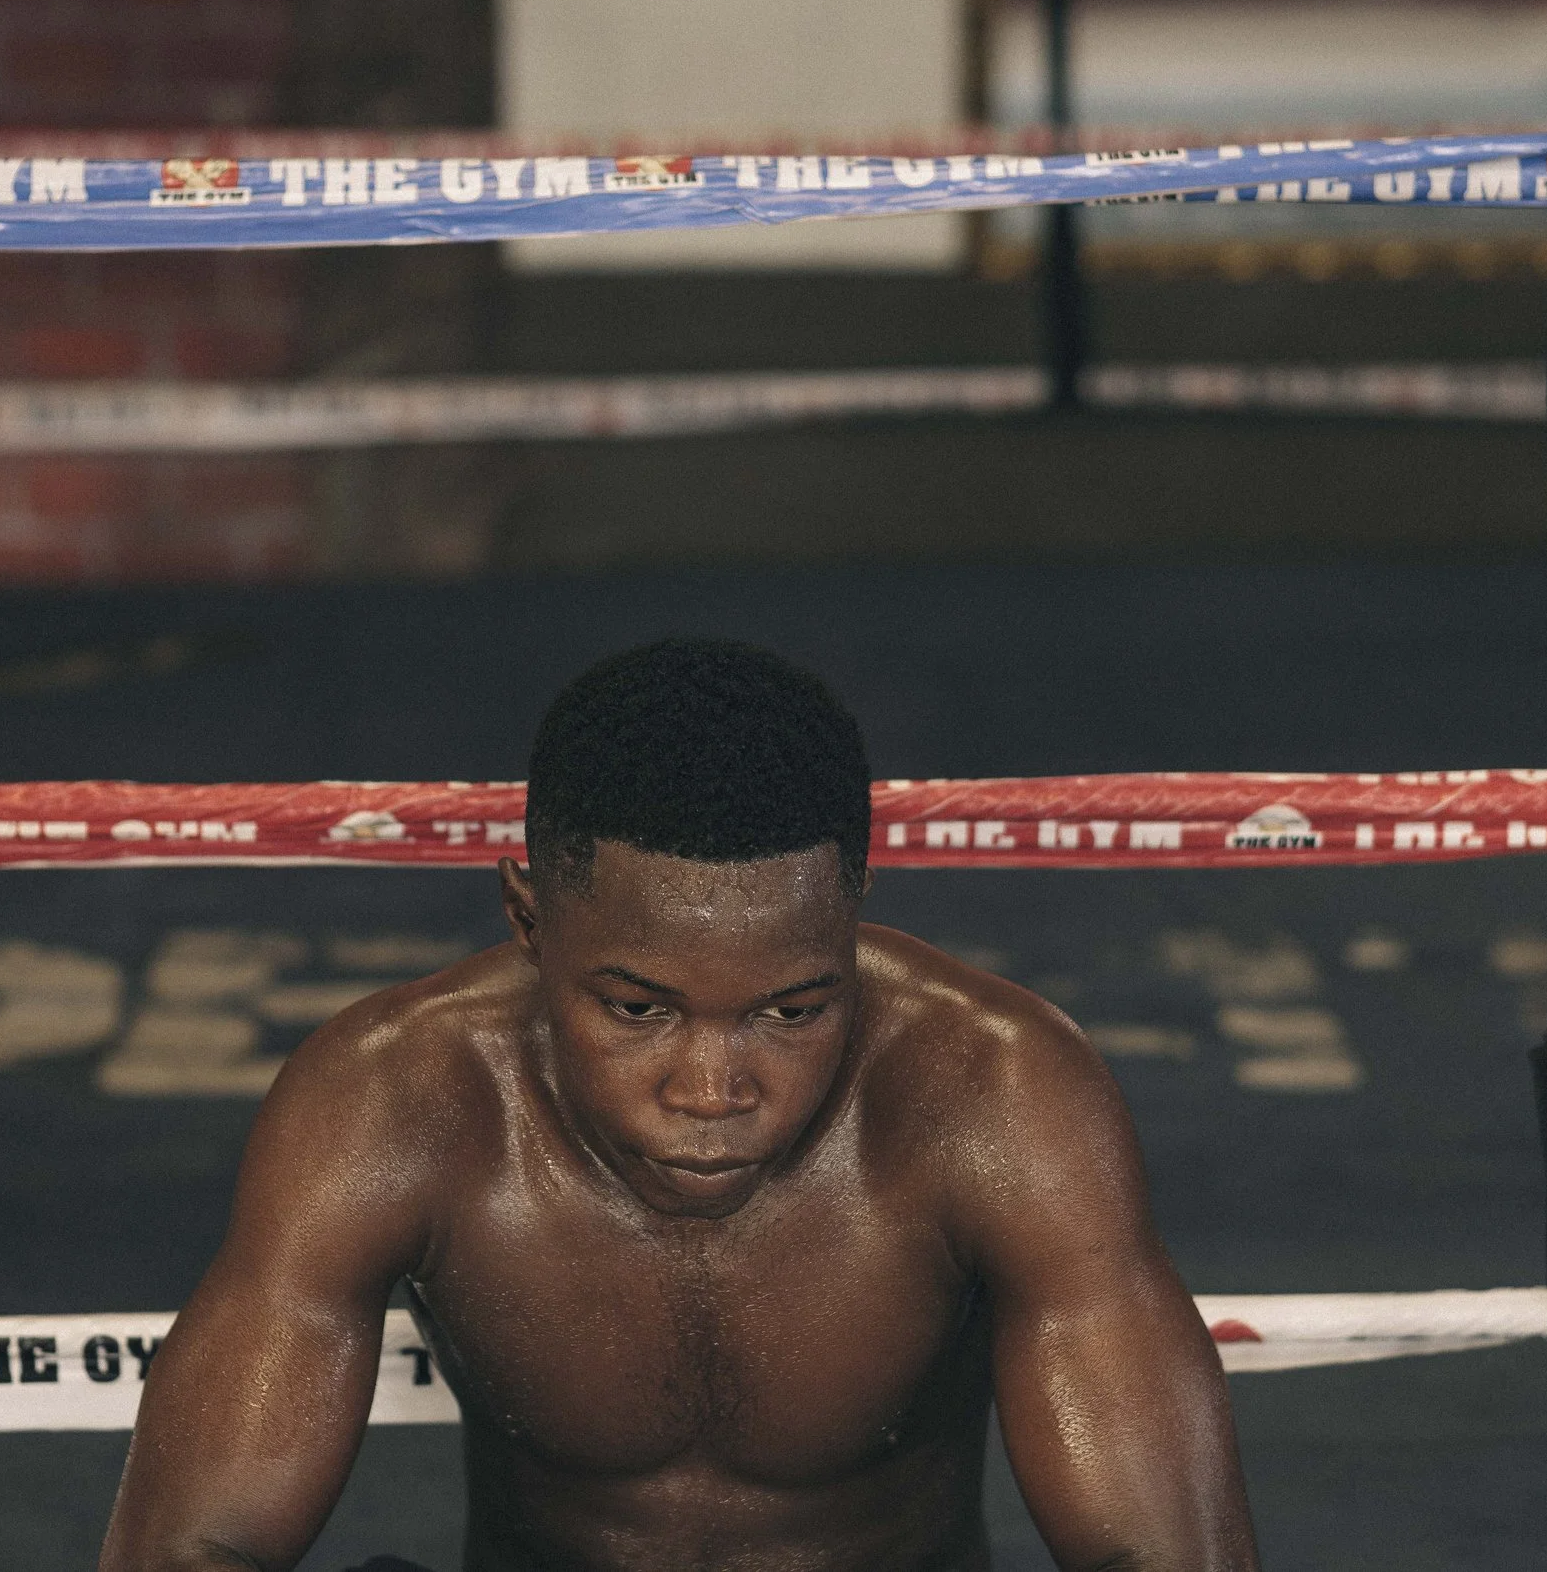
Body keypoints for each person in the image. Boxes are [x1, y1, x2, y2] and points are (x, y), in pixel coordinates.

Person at [100, 640, 1258, 1572]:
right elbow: (195, 1540)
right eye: (639, 1008)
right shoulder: (395, 1099)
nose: (713, 1089)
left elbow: (1164, 1549)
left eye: (794, 1011)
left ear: (851, 913)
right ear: (527, 917)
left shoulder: (994, 1093)